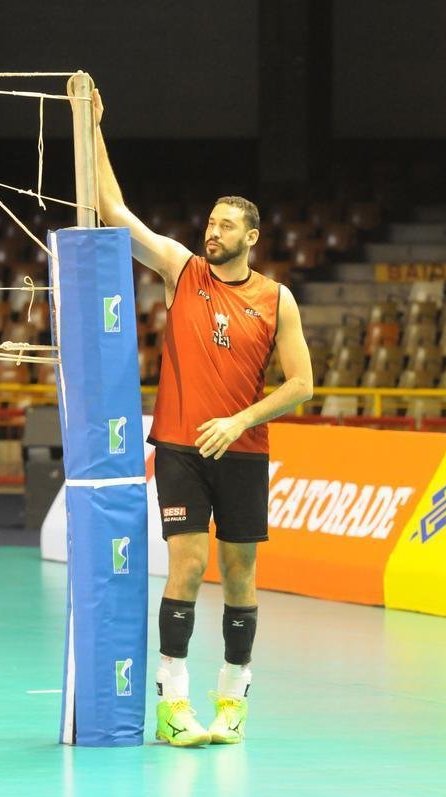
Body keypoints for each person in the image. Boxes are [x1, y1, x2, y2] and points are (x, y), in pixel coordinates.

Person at [91, 89, 313, 746]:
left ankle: (233, 700)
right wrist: (93, 127)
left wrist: (239, 421)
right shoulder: (182, 271)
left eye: (225, 226)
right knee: (187, 566)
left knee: (239, 573)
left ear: (251, 237)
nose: (211, 232)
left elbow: (302, 385)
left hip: (241, 450)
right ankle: (173, 703)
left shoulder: (277, 299)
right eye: (210, 223)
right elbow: (113, 211)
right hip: (182, 447)